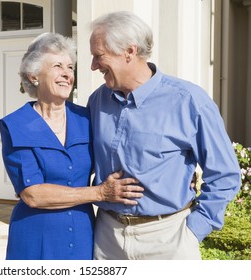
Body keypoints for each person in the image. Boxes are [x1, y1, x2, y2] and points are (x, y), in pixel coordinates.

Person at [87, 11, 241, 260]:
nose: (93, 66)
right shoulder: (97, 101)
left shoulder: (188, 100)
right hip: (107, 238)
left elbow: (225, 173)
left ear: (129, 52)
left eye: (98, 56)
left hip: (168, 239)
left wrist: (194, 229)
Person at [0, 32, 144, 260]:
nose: (67, 74)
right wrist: (99, 192)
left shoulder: (86, 117)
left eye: (70, 67)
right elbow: (32, 194)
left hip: (82, 232)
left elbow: (116, 156)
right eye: (58, 66)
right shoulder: (16, 125)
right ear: (33, 75)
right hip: (36, 235)